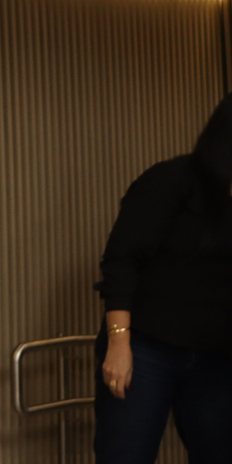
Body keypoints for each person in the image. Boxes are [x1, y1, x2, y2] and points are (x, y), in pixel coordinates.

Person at [95, 95, 232, 464]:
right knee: (127, 454)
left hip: (215, 357)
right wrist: (119, 344)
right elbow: (122, 259)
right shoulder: (174, 179)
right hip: (145, 347)